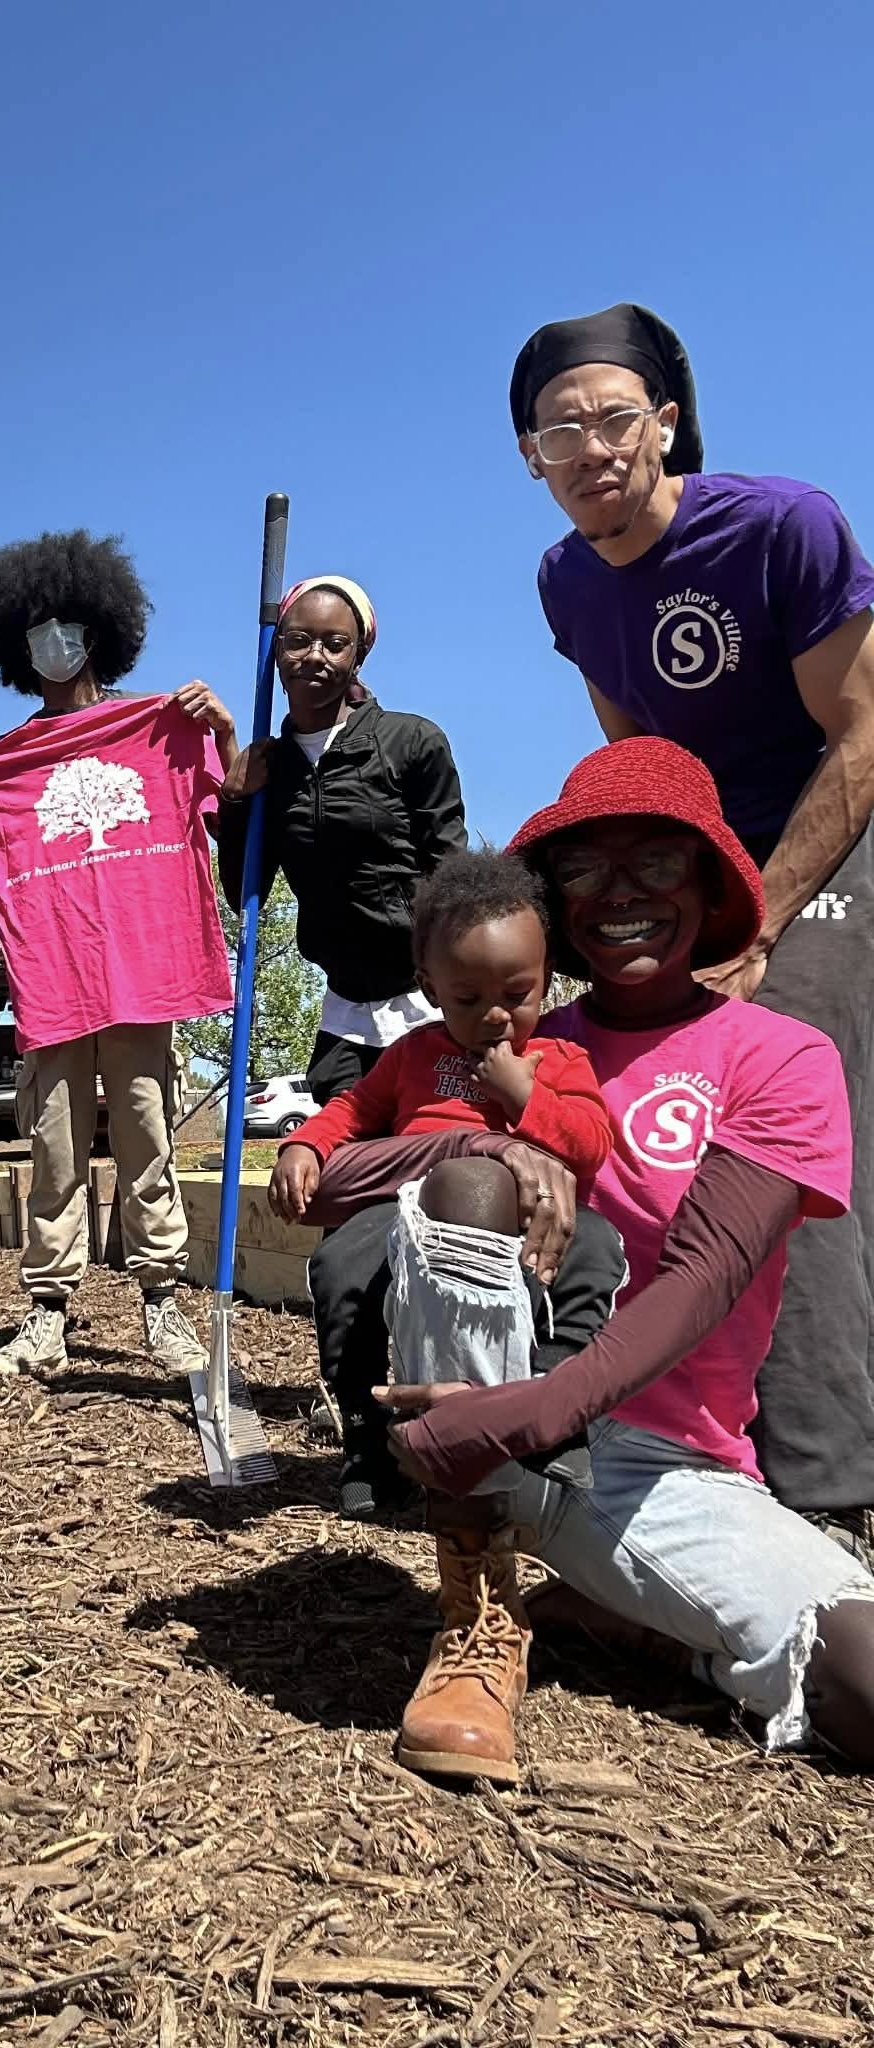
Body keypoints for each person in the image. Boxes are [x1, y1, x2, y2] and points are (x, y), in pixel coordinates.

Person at [308, 738, 874, 1781]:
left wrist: (545, 1407)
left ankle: (639, 1621)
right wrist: (484, 1139)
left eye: (657, 860)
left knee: (865, 1684)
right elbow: (331, 1185)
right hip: (485, 1434)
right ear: (553, 898)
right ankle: (475, 1608)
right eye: (584, 867)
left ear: (710, 884)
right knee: (474, 1185)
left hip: (662, 1467)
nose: (621, 893)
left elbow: (705, 1275)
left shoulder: (781, 1056)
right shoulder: (502, 1024)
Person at [512, 301, 874, 1553]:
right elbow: (642, 757)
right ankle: (664, 1421)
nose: (593, 447)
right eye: (562, 431)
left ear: (666, 424)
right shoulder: (566, 580)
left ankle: (828, 1482)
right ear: (531, 460)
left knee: (777, 1067)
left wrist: (763, 912)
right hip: (709, 854)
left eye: (615, 418)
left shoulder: (784, 525)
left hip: (835, 832)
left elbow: (865, 728)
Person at [0, 529, 236, 1378]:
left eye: (65, 623)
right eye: (33, 628)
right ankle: (46, 1316)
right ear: (12, 647)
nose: (51, 641)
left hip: (146, 976)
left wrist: (220, 729)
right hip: (55, 979)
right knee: (55, 1151)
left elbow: (238, 792)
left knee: (147, 1139)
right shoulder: (4, 764)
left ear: (98, 629)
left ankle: (162, 1306)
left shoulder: (162, 727)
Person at [270, 849, 623, 1520]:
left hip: (523, 1224)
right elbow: (352, 1112)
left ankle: (556, 1413)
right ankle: (371, 1439)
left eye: (516, 994)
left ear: (546, 981)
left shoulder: (560, 1059)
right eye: (468, 998)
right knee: (341, 1266)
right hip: (411, 1218)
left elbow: (592, 1146)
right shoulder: (412, 1056)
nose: (495, 1015)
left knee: (597, 1251)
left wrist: (527, 1098)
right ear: (430, 987)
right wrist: (305, 1143)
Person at [217, 576, 467, 1105]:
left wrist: (457, 982)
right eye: (298, 640)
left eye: (335, 644)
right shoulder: (269, 767)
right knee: (343, 1167)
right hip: (346, 1009)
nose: (315, 657)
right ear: (275, 651)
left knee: (435, 1153)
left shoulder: (412, 741)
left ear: (359, 655)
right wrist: (236, 802)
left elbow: (453, 877)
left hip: (428, 997)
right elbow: (244, 895)